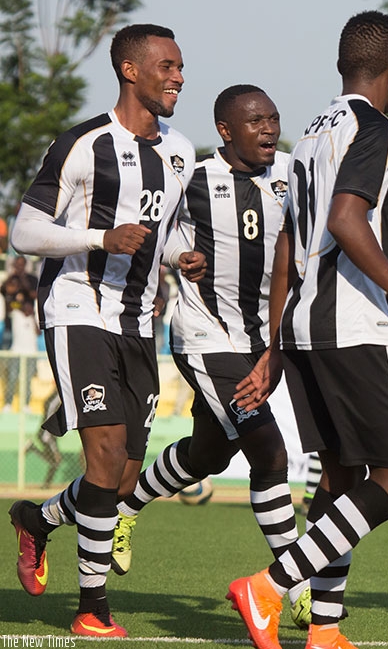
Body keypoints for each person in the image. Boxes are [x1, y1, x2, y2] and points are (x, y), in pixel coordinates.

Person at [226, 11, 388, 649]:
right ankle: (269, 587)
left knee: (340, 475)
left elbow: (289, 244)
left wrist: (273, 345)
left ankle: (324, 628)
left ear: (342, 65)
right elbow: (348, 220)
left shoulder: (313, 133)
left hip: (303, 325)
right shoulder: (376, 126)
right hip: (352, 322)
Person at [7, 23, 205, 638]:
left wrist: (181, 255)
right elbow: (24, 233)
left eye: (180, 66)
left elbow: (166, 230)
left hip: (137, 324)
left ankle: (38, 521)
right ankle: (93, 607)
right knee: (105, 453)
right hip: (77, 310)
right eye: (167, 66)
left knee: (118, 480)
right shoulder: (82, 143)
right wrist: (98, 237)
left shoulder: (181, 150)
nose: (178, 76)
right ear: (130, 70)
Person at [106, 84, 310, 624]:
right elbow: (154, 235)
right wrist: (179, 254)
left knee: (209, 454)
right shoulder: (191, 178)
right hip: (207, 337)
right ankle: (293, 583)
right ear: (225, 130)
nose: (269, 129)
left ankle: (123, 509)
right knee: (269, 453)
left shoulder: (293, 173)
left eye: (274, 119)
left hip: (264, 342)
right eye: (256, 121)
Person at [1, 255, 38, 355]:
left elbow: (34, 294)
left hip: (28, 320)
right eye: (17, 265)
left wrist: (22, 279)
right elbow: (7, 296)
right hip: (11, 322)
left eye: (21, 265)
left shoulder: (32, 279)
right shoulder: (11, 279)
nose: (19, 267)